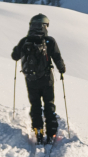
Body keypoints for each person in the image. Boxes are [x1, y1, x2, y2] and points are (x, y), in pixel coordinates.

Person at [10, 12, 66, 143]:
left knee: (35, 105)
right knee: (49, 104)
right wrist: (62, 70)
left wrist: (16, 48)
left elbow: (14, 56)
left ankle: (38, 130)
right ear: (45, 26)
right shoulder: (49, 41)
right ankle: (51, 133)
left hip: (30, 80)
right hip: (47, 79)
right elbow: (57, 57)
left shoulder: (25, 41)